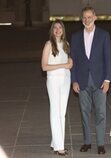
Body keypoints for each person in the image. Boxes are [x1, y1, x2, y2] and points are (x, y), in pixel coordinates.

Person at [71, 6, 111, 154]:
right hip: (82, 81)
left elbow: (108, 59)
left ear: (95, 17)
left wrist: (108, 80)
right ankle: (87, 142)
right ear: (82, 19)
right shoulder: (75, 37)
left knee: (101, 113)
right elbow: (73, 60)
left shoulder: (104, 35)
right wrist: (74, 80)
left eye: (90, 17)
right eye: (84, 17)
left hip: (100, 80)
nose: (87, 20)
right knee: (84, 112)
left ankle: (100, 144)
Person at [41, 19, 73, 156]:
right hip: (53, 80)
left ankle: (55, 142)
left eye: (60, 27)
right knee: (55, 111)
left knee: (62, 113)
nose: (58, 30)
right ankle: (59, 146)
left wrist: (70, 63)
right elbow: (44, 67)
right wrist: (63, 65)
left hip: (66, 80)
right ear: (52, 30)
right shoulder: (48, 45)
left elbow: (68, 63)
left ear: (63, 30)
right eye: (55, 28)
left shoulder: (66, 44)